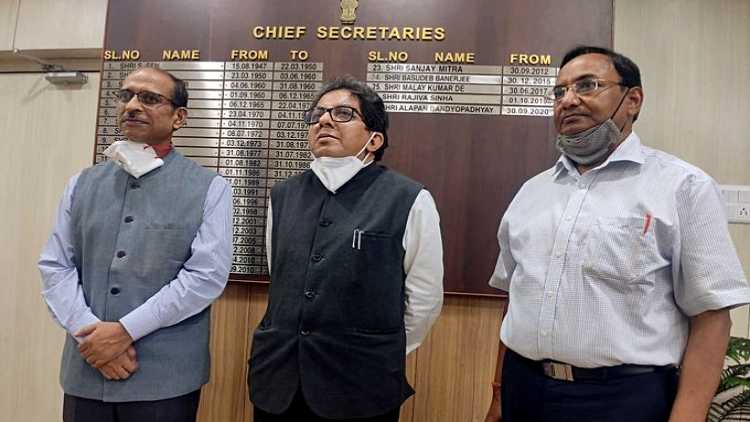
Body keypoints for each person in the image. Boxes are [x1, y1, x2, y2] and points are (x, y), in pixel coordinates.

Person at [484, 45, 750, 422]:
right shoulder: (532, 192)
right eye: (559, 92)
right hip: (523, 388)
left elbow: (711, 317)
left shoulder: (683, 187)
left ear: (633, 100)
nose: (568, 100)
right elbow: (515, 298)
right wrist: (499, 395)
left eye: (587, 85)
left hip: (623, 399)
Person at [38, 67, 233, 422]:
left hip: (164, 380)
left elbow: (205, 277)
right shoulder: (82, 183)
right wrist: (91, 338)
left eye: (149, 98)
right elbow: (56, 266)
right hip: (87, 369)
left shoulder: (210, 187)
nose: (131, 105)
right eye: (125, 95)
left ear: (179, 117)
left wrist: (125, 332)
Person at [249, 76, 444, 421]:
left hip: (361, 387)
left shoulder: (409, 199)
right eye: (319, 113)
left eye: (342, 113)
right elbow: (280, 277)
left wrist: (377, 351)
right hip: (278, 382)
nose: (324, 120)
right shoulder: (282, 196)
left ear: (374, 139)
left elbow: (424, 299)